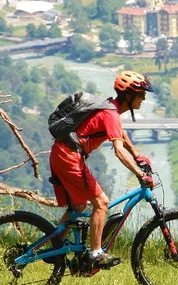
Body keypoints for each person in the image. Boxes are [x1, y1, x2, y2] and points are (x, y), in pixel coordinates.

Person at [49, 70, 156, 270]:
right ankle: (96, 254)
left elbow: (119, 133)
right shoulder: (112, 114)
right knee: (102, 203)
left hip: (62, 153)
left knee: (79, 207)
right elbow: (118, 150)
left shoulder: (111, 108)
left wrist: (136, 154)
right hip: (68, 157)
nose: (143, 98)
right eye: (141, 94)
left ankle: (52, 247)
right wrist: (140, 174)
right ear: (129, 96)